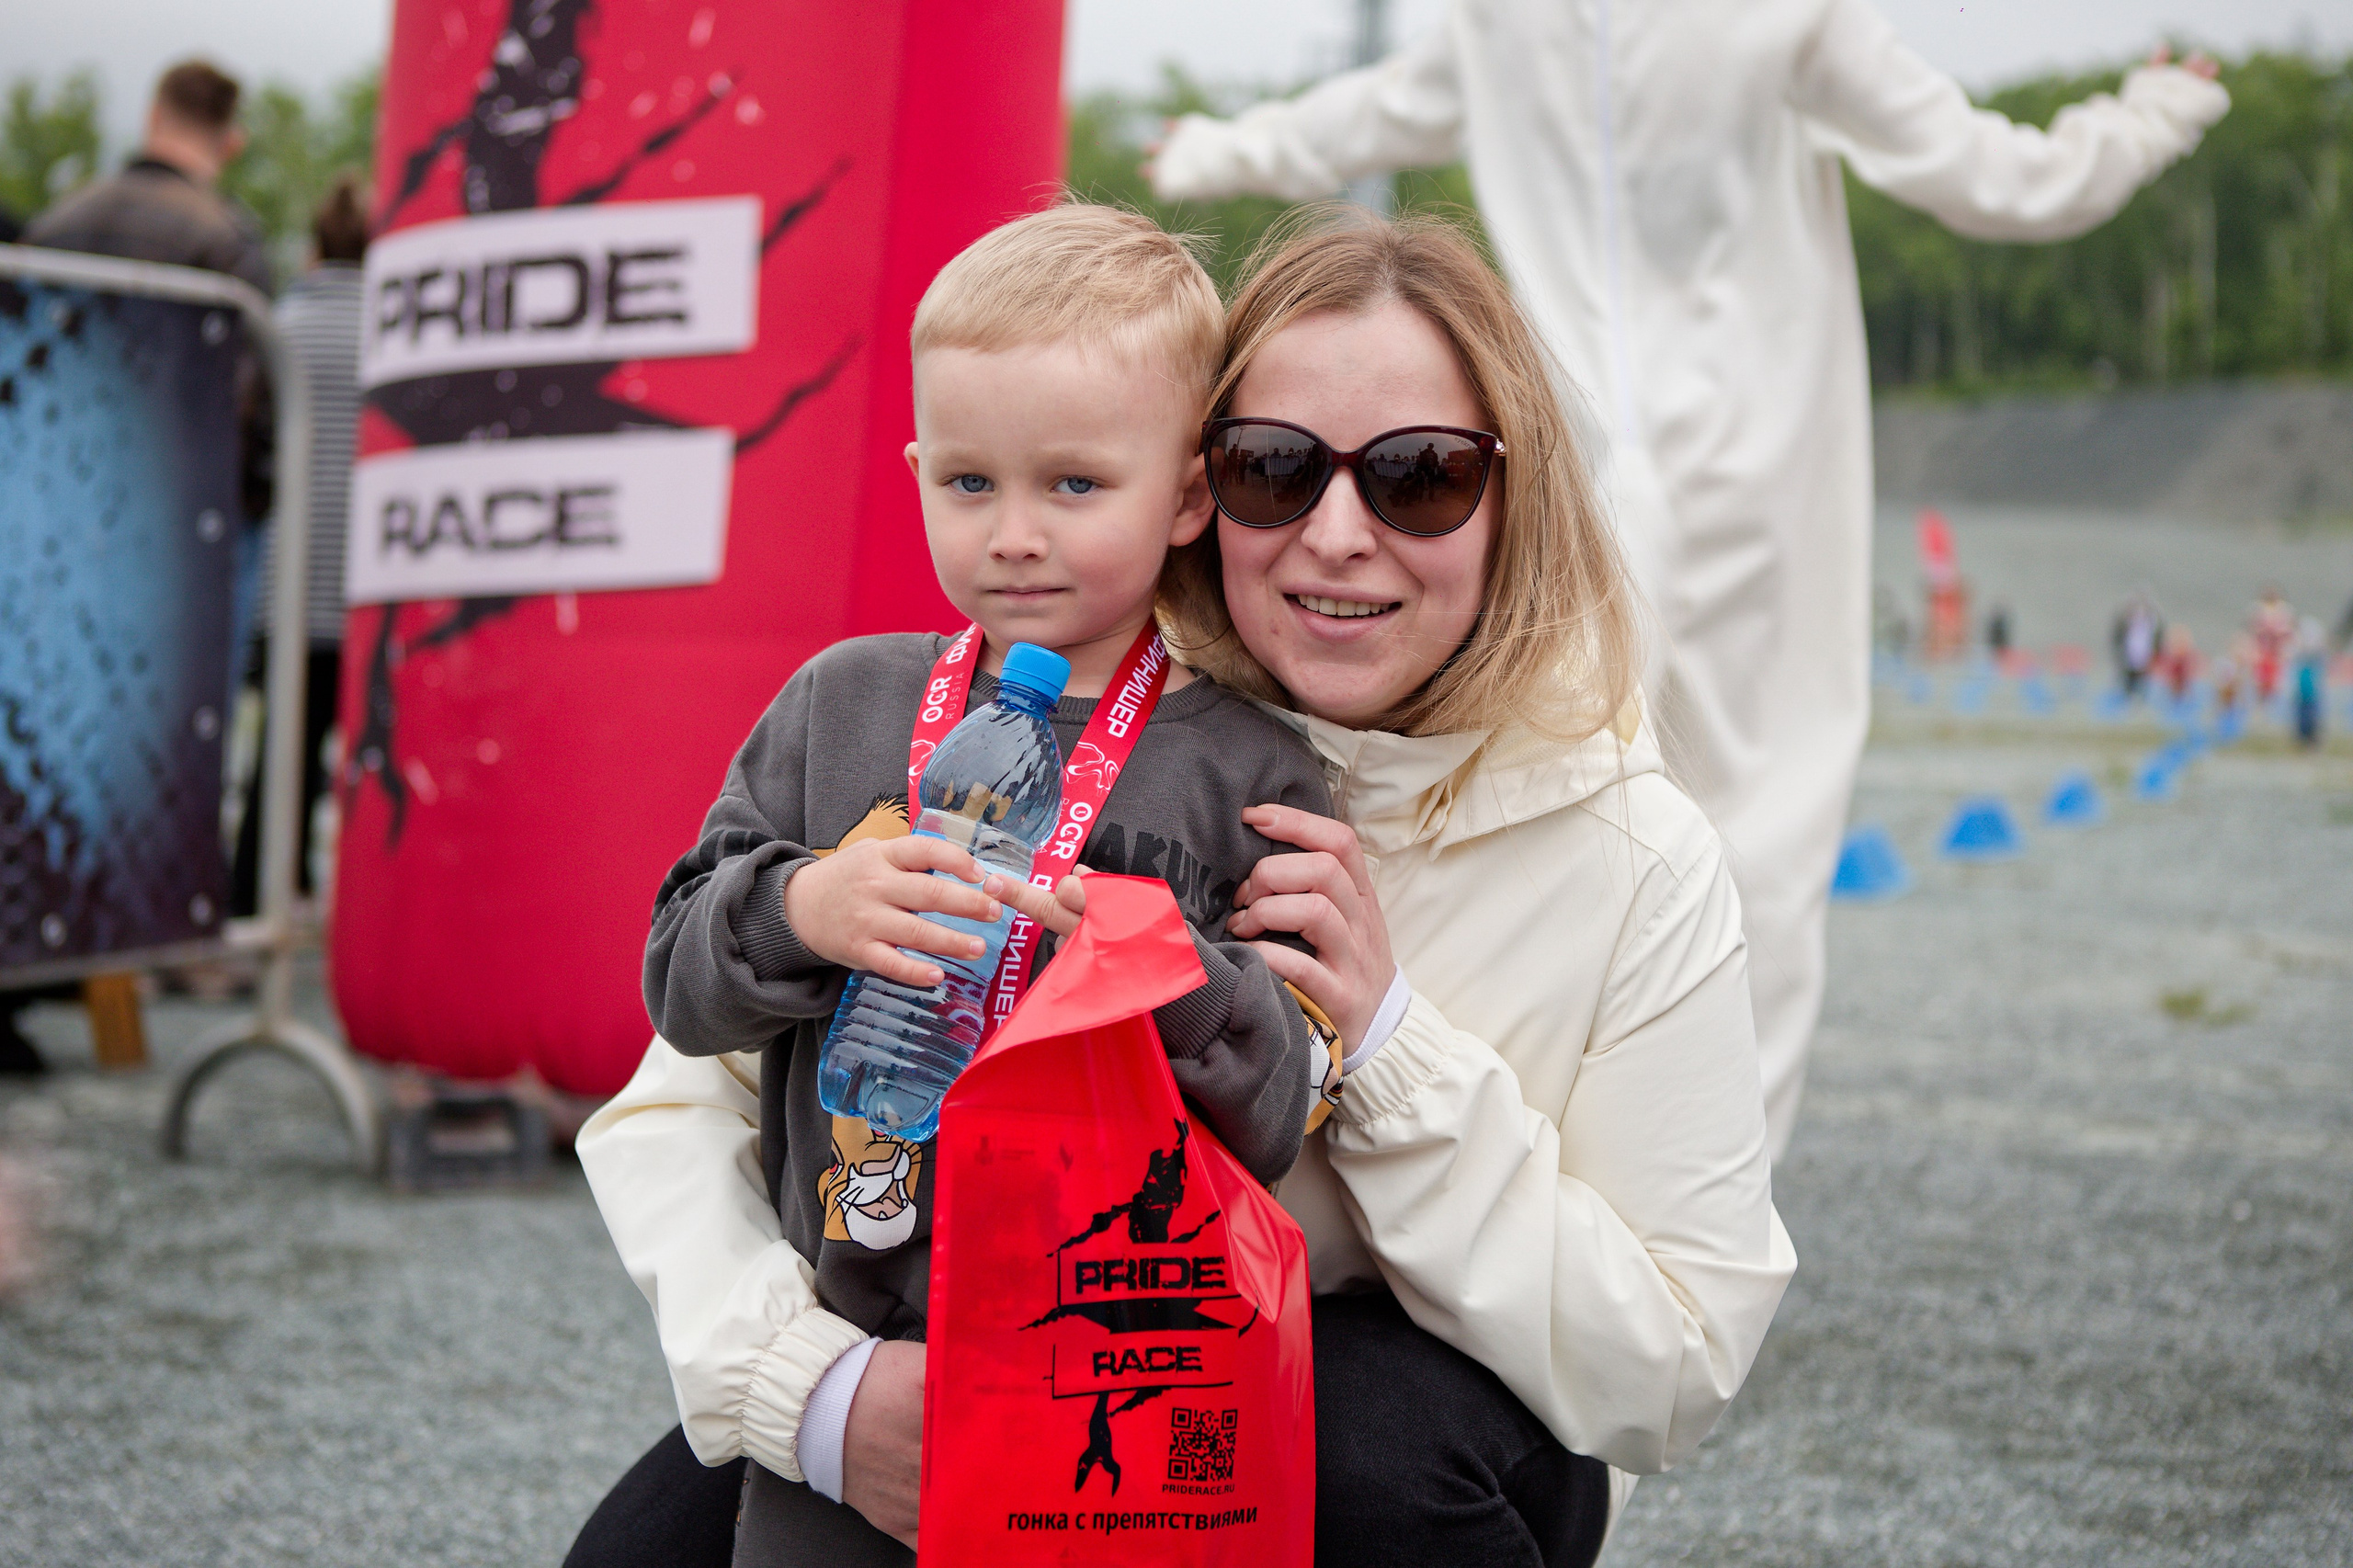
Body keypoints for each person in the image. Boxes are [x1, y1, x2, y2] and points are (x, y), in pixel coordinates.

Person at [571, 210, 1790, 1568]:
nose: (1337, 533)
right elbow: (674, 1110)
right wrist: (818, 1395)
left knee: (1363, 1452)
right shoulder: (1064, 716)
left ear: (1519, 491)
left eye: (1421, 476)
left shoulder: (1633, 858)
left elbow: (1677, 1364)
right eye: (1276, 466)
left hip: (1351, 1429)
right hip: (947, 1334)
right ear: (1204, 482)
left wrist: (1387, 1047)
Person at [1148, 6, 2230, 1162]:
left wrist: (1205, 149)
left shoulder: (1504, 26)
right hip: (1752, 486)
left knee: (1498, 820)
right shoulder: (1778, 18)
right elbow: (2009, 182)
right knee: (1754, 845)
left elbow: (1346, 122)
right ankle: (1688, 1201)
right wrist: (2157, 111)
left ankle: (1430, 1144)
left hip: (1577, 480)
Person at [622, 204, 1340, 1565]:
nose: (1014, 534)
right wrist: (803, 908)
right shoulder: (841, 705)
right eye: (969, 483)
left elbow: (1275, 1114)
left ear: (1188, 493)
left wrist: (1163, 979)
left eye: (1075, 485)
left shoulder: (1250, 771)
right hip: (851, 1361)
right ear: (916, 467)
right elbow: (675, 977)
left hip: (1117, 1367)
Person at [27, 59, 277, 726]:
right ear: (231, 141)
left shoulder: (58, 225)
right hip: (181, 524)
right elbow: (251, 406)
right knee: (174, 729)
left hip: (50, 510)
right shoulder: (226, 241)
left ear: (153, 117)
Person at [230, 174, 369, 913]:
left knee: (279, 752)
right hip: (369, 580)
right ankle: (333, 895)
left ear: (314, 244)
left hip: (291, 575)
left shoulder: (283, 323)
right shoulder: (392, 326)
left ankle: (255, 896)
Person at [2115, 591, 2163, 699]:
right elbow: (2117, 638)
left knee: (2145, 688)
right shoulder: (2125, 622)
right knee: (2128, 689)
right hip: (2129, 661)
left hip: (2147, 660)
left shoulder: (2153, 622)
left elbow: (2158, 640)